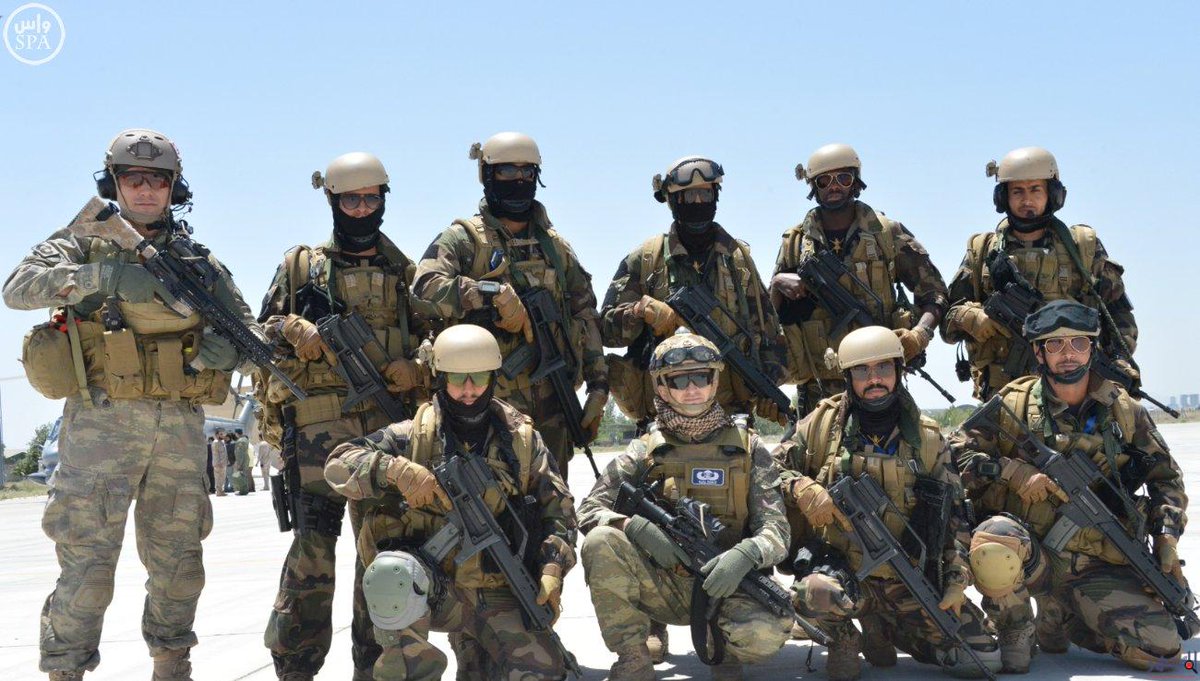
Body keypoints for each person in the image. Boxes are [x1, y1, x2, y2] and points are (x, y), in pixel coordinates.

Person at [3, 129, 260, 680]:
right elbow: (18, 287)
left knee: (179, 566)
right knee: (87, 567)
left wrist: (230, 348)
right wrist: (106, 276)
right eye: (133, 178)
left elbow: (248, 328)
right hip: (101, 426)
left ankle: (172, 665)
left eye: (157, 180)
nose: (145, 190)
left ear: (174, 188)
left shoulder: (197, 262)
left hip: (179, 429)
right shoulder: (84, 239)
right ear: (113, 183)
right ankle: (65, 670)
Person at [257, 152, 434, 681]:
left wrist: (417, 366)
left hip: (384, 437)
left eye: (370, 199)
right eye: (350, 199)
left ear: (383, 200)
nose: (361, 209)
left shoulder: (405, 274)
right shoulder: (301, 268)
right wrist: (290, 328)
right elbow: (256, 333)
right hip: (316, 434)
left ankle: (375, 667)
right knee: (311, 553)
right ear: (332, 201)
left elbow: (440, 341)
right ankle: (295, 666)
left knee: (380, 555)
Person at [324, 324, 577, 680]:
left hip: (497, 588)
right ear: (441, 378)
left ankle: (476, 655)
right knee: (392, 574)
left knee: (541, 672)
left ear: (494, 377)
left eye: (479, 378)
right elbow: (337, 464)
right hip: (432, 589)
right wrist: (396, 471)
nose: (469, 390)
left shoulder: (523, 442)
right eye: (458, 378)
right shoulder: (412, 435)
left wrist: (553, 566)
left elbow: (560, 511)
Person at [948, 300, 1188, 672]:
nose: (1068, 354)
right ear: (1038, 353)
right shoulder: (1014, 402)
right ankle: (1014, 626)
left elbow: (1166, 479)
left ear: (1092, 348)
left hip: (1098, 565)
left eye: (1078, 343)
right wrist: (1012, 471)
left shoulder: (1125, 410)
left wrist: (1166, 537)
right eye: (1055, 345)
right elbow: (954, 454)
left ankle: (1059, 616)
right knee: (996, 537)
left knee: (1164, 649)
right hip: (1031, 554)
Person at [774, 326, 1000, 680]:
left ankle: (884, 628)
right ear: (848, 377)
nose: (874, 379)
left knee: (982, 657)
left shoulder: (927, 438)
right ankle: (843, 637)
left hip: (907, 579)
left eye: (883, 368)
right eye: (862, 370)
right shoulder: (820, 425)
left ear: (899, 371)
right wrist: (801, 487)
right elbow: (768, 469)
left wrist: (957, 578)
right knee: (814, 593)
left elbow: (955, 516)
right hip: (843, 575)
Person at [578, 332, 792, 680]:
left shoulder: (749, 448)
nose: (692, 389)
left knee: (766, 631)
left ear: (715, 381)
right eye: (679, 380)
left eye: (701, 378)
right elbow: (589, 510)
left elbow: (777, 529)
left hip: (729, 581)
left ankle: (724, 645)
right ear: (662, 388)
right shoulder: (644, 450)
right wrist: (633, 527)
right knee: (600, 542)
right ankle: (633, 655)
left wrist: (747, 554)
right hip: (665, 584)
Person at [412, 131, 608, 477]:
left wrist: (598, 389)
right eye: (506, 171)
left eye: (526, 172)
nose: (518, 180)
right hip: (482, 407)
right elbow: (423, 289)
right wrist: (489, 294)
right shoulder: (463, 239)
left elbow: (585, 316)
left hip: (553, 405)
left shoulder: (555, 248)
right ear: (487, 175)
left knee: (552, 500)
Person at [600, 156, 786, 432]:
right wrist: (639, 312)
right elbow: (606, 331)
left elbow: (769, 334)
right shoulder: (646, 259)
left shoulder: (737, 260)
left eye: (705, 194)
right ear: (672, 201)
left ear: (715, 196)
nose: (698, 202)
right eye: (689, 196)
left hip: (730, 418)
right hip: (662, 419)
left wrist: (768, 390)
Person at [940, 147, 1137, 400]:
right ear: (1003, 197)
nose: (1027, 201)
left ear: (1052, 194)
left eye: (1035, 190)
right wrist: (972, 318)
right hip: (1005, 394)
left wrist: (1120, 359)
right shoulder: (983, 251)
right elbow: (947, 320)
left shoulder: (1082, 247)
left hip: (1076, 389)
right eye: (1017, 191)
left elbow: (1119, 315)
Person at [771, 144, 948, 416]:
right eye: (824, 180)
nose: (834, 186)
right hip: (819, 387)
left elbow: (935, 293)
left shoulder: (886, 233)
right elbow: (767, 316)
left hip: (879, 381)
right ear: (813, 186)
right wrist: (778, 283)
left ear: (856, 182)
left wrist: (919, 335)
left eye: (843, 178)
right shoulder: (795, 242)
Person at [232, 429, 252, 495]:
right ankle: (245, 490)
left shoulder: (240, 441)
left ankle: (243, 490)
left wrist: (239, 464)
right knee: (244, 475)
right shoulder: (245, 439)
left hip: (242, 460)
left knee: (241, 476)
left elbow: (240, 453)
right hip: (246, 459)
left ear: (237, 433)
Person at [211, 430, 228, 498]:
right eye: (220, 434)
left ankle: (221, 490)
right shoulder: (215, 443)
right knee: (218, 478)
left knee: (222, 478)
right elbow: (216, 454)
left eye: (222, 434)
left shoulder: (222, 442)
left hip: (223, 463)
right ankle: (218, 491)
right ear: (216, 435)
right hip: (218, 464)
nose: (222, 435)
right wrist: (219, 463)